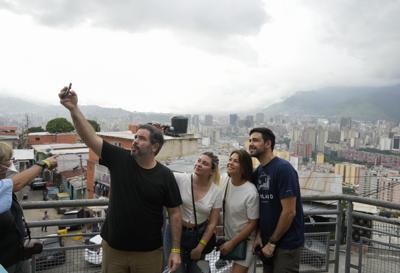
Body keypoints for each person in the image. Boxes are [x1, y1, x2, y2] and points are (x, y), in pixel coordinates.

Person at [59, 86, 183, 273]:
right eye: (135, 137)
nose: (135, 141)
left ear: (155, 146)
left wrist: (175, 250)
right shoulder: (120, 159)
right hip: (114, 250)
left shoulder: (165, 176)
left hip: (149, 254)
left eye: (141, 138)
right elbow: (89, 137)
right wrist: (74, 109)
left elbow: (175, 213)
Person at [249, 128, 304, 273]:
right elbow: (261, 208)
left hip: (286, 244)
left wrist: (272, 243)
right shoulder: (259, 171)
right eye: (250, 140)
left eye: (255, 140)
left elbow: (289, 212)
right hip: (267, 242)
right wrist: (259, 236)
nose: (251, 144)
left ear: (268, 144)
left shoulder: (283, 169)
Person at [0, 142, 57, 273]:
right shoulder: (6, 187)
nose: (10, 164)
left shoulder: (5, 188)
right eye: (7, 160)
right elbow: (18, 183)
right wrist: (45, 163)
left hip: (19, 256)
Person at [172, 152, 222, 273]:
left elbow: (212, 223)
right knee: (176, 269)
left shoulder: (216, 191)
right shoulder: (180, 179)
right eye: (198, 161)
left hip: (198, 235)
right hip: (175, 232)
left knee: (196, 270)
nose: (199, 164)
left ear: (211, 171)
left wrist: (200, 247)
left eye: (204, 163)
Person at [219, 149, 259, 273]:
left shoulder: (251, 192)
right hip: (229, 239)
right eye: (230, 159)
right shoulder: (224, 179)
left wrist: (232, 243)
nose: (230, 163)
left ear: (243, 167)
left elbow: (253, 223)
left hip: (245, 242)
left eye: (235, 161)